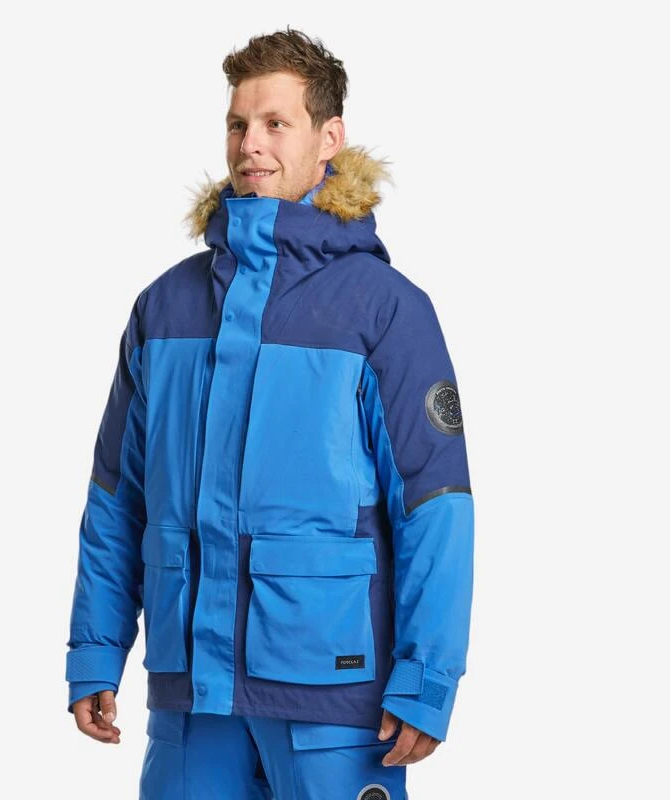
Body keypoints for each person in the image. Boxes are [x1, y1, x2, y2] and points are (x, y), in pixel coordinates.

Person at [65, 26, 474, 800]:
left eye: (275, 123)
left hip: (336, 705)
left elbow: (434, 507)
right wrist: (95, 649)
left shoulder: (385, 310)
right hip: (192, 701)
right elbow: (118, 497)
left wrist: (427, 678)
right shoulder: (166, 306)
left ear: (329, 138)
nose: (250, 143)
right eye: (237, 123)